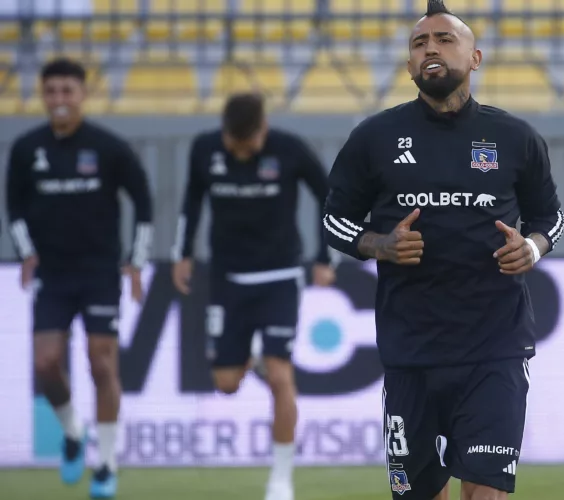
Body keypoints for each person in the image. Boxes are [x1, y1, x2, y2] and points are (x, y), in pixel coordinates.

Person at [323, 1, 564, 499]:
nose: (430, 48)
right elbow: (332, 220)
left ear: (474, 57)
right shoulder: (375, 137)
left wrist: (533, 249)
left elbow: (551, 218)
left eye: (444, 39)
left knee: (486, 493)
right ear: (410, 66)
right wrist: (380, 245)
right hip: (410, 353)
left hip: (494, 349)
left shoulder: (514, 137)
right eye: (419, 43)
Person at [171, 92, 336, 500]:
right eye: (234, 144)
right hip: (228, 279)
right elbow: (191, 200)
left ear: (263, 129)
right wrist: (183, 253)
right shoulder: (204, 149)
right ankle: (258, 361)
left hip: (280, 275)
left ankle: (280, 480)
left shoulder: (290, 150)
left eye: (249, 144)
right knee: (226, 383)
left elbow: (329, 196)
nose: (241, 151)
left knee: (282, 375)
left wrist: (323, 255)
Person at [5, 57, 154, 499]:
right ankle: (73, 432)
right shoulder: (27, 148)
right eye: (52, 92)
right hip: (52, 274)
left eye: (68, 91)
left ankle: (106, 464)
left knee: (101, 363)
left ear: (82, 94)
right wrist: (26, 253)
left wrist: (136, 260)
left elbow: (143, 202)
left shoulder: (108, 148)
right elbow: (13, 207)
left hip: (99, 274)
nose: (60, 100)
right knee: (46, 364)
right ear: (43, 96)